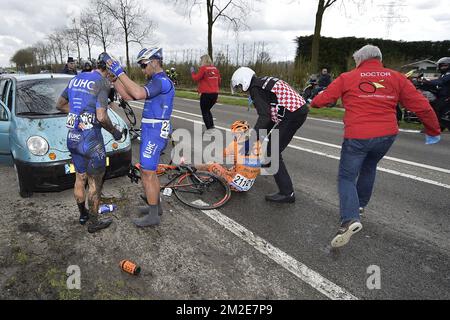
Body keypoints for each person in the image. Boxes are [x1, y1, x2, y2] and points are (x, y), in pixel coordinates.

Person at [310, 44, 441, 248]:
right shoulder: (397, 77)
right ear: (378, 59)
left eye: (356, 61)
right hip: (387, 135)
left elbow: (322, 100)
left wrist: (315, 102)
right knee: (369, 167)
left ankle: (349, 219)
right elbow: (421, 105)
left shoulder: (348, 77)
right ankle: (360, 206)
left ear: (360, 60)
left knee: (346, 177)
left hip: (358, 136)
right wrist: (433, 130)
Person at [103, 47, 175, 227]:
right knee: (147, 171)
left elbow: (138, 93)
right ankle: (155, 207)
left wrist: (120, 72)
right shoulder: (155, 81)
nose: (142, 70)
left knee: (148, 172)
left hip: (155, 132)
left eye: (144, 65)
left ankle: (153, 216)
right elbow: (129, 95)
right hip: (151, 130)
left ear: (154, 62)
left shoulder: (161, 81)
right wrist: (115, 80)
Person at [56, 53, 123, 233]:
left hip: (73, 137)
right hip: (91, 140)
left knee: (80, 177)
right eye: (114, 75)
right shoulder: (101, 83)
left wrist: (78, 114)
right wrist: (115, 132)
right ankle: (94, 222)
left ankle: (83, 214)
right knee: (95, 183)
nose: (114, 79)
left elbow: (60, 104)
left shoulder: (76, 79)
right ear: (107, 70)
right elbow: (101, 116)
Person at [231, 67, 309, 203]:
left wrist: (251, 141)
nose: (241, 90)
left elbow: (265, 116)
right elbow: (270, 116)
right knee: (270, 151)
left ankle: (287, 193)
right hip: (295, 111)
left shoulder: (255, 89)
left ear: (244, 81)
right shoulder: (261, 83)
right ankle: (269, 164)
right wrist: (257, 139)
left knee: (273, 152)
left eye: (239, 86)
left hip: (292, 114)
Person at [195, 120, 261, 192]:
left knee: (211, 164)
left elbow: (222, 155)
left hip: (233, 185)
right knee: (234, 167)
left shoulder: (235, 144)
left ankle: (192, 169)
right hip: (247, 186)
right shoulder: (258, 143)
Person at [191, 54, 221, 133]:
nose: (200, 62)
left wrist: (192, 72)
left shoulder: (203, 68)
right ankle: (212, 126)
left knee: (204, 111)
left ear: (203, 61)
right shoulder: (215, 69)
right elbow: (219, 81)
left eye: (201, 60)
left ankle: (209, 129)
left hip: (206, 94)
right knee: (207, 110)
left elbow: (196, 78)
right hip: (215, 94)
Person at [421, 57, 450, 130]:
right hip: (442, 94)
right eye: (441, 65)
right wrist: (424, 84)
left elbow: (441, 82)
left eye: (444, 65)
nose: (441, 67)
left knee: (436, 107)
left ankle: (434, 127)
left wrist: (427, 82)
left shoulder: (448, 74)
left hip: (446, 96)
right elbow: (438, 84)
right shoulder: (444, 74)